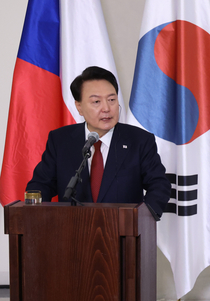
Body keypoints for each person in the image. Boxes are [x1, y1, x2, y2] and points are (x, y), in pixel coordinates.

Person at [26, 66, 171, 220]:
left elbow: (159, 186)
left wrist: (143, 219)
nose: (106, 108)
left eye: (112, 100)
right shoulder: (61, 140)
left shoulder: (139, 140)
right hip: (72, 234)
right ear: (79, 107)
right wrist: (37, 217)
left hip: (125, 235)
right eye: (96, 101)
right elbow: (41, 186)